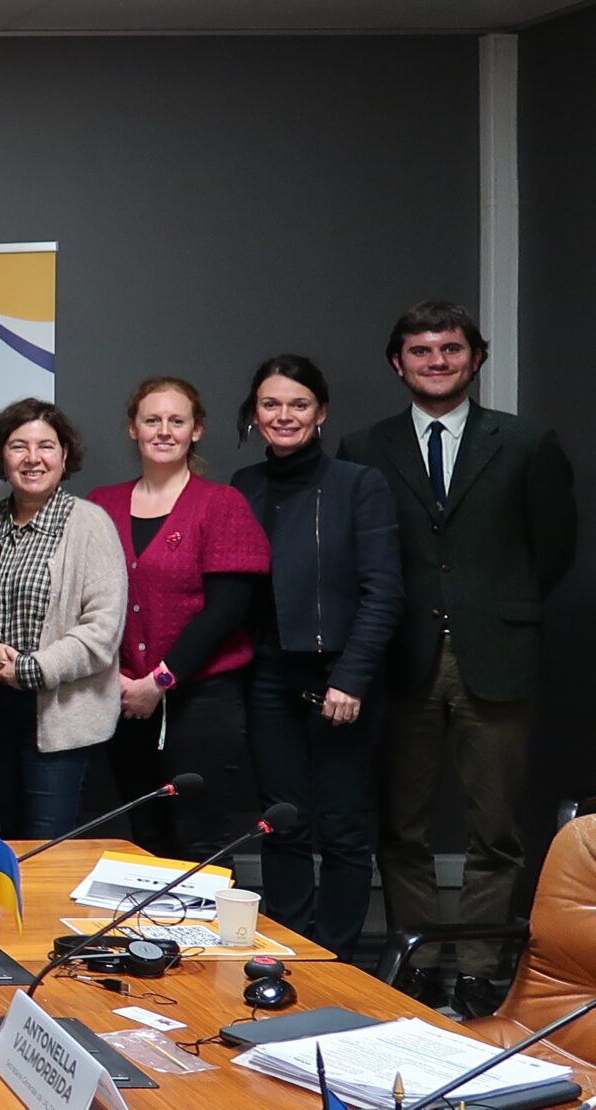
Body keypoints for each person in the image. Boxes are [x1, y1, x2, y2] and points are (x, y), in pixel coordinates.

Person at [338, 302, 575, 996]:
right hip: (400, 656)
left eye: (449, 349)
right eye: (420, 350)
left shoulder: (527, 442)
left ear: (476, 358)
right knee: (403, 824)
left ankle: (475, 967)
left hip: (496, 654)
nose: (436, 361)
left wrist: (495, 606)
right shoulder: (364, 448)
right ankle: (412, 967)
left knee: (494, 828)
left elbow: (553, 550)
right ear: (397, 362)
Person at [231, 356, 401, 957]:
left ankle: (338, 961)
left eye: (298, 404)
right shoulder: (243, 486)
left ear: (321, 413)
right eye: (271, 404)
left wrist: (352, 679)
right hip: (270, 674)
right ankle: (288, 955)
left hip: (342, 677)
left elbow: (385, 591)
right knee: (282, 824)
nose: (284, 416)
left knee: (346, 831)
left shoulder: (360, 484)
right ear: (255, 413)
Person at [88, 378, 269, 861]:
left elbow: (228, 609)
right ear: (133, 430)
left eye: (176, 420)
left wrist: (161, 679)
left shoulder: (220, 504)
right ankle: (154, 939)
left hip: (201, 699)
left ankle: (204, 939)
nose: (163, 431)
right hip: (122, 697)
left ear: (197, 430)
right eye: (152, 420)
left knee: (200, 838)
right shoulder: (101, 505)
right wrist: (122, 679)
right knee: (145, 836)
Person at [0, 398, 126, 839]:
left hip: (61, 716)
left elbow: (102, 630)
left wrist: (31, 669)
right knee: (9, 840)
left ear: (65, 455)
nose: (32, 458)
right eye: (18, 446)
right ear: (2, 458)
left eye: (46, 446)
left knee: (48, 846)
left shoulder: (90, 524)